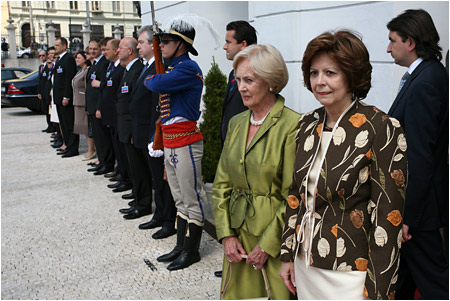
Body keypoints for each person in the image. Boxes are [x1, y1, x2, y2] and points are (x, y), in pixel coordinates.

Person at [280, 31, 408, 300]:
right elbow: (296, 196)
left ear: (352, 75)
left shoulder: (381, 128)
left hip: (352, 272)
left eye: (330, 72)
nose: (320, 82)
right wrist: (287, 254)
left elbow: (388, 217)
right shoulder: (306, 125)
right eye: (314, 73)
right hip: (306, 264)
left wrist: (379, 290)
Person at [212, 44, 299, 299]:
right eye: (238, 80)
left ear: (271, 81)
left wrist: (267, 245)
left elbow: (294, 196)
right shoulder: (237, 122)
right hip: (238, 240)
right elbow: (221, 184)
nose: (241, 87)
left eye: (249, 80)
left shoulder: (293, 125)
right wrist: (226, 235)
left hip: (274, 243)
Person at [386, 9, 449, 300]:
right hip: (419, 206)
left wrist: (406, 216)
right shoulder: (425, 74)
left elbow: (420, 156)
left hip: (421, 211)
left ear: (410, 42)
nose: (388, 48)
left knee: (435, 284)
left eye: (392, 40)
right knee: (402, 281)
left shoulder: (426, 82)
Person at [144, 17, 211, 271]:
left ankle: (191, 250)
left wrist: (155, 75)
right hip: (172, 141)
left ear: (181, 45)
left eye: (166, 41)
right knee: (179, 198)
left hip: (185, 142)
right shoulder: (173, 69)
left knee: (191, 197)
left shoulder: (187, 69)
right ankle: (181, 246)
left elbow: (153, 83)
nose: (160, 45)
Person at [131, 25, 177, 238]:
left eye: (141, 42)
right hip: (144, 130)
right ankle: (159, 214)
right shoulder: (147, 66)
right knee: (155, 179)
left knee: (162, 179)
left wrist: (155, 135)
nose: (137, 46)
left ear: (152, 44)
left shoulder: (160, 68)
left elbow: (157, 105)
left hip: (155, 131)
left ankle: (169, 220)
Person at [115, 37, 149, 219]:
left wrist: (131, 130)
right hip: (125, 126)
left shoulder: (136, 70)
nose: (117, 51)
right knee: (132, 166)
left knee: (138, 168)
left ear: (129, 51)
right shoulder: (128, 70)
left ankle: (142, 203)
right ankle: (138, 198)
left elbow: (135, 103)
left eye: (120, 48)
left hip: (131, 127)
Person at [96, 39, 131, 193]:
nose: (104, 52)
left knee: (123, 150)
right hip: (112, 115)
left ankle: (125, 177)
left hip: (119, 116)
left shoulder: (121, 69)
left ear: (116, 50)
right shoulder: (112, 67)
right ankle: (122, 173)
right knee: (118, 148)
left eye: (106, 49)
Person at [221, 20, 257, 143]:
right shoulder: (233, 73)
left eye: (228, 42)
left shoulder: (258, 72)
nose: (224, 46)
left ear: (243, 44)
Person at [86, 39, 114, 175]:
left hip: (99, 107)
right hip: (92, 107)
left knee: (103, 139)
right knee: (97, 137)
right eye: (90, 49)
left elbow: (103, 88)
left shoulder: (104, 64)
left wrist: (99, 107)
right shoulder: (94, 64)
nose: (92, 51)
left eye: (95, 49)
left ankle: (106, 163)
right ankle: (101, 161)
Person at [53, 37, 78, 158]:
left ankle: (73, 147)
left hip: (65, 98)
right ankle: (67, 145)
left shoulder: (68, 59)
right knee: (63, 124)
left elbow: (68, 79)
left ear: (64, 46)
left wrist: (66, 96)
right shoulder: (59, 60)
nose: (55, 47)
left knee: (69, 124)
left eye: (57, 45)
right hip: (58, 98)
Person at [72, 51, 96, 160]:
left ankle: (91, 149)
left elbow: (88, 88)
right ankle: (90, 149)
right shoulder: (80, 71)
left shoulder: (87, 71)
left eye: (79, 58)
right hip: (77, 101)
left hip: (83, 102)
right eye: (76, 58)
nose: (77, 59)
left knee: (86, 128)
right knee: (82, 127)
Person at [37, 49, 56, 133]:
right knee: (45, 109)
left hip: (50, 91)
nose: (41, 57)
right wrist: (39, 92)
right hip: (43, 91)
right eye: (40, 55)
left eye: (43, 55)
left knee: (51, 110)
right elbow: (40, 80)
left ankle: (53, 127)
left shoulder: (51, 66)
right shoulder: (41, 67)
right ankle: (49, 125)